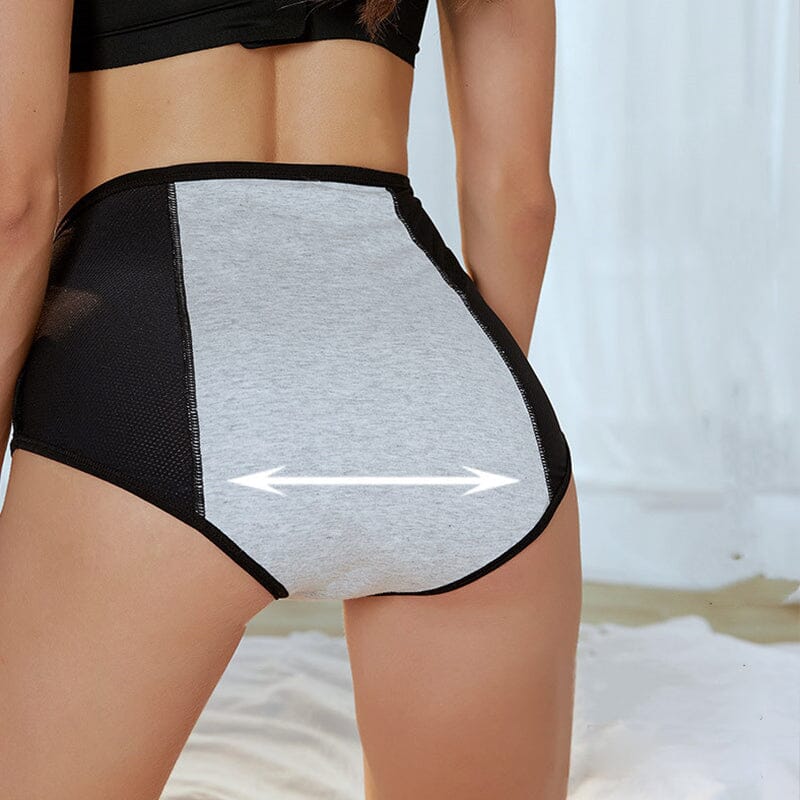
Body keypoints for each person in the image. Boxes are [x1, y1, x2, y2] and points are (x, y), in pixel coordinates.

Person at [0, 0, 582, 797]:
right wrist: (462, 418)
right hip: (440, 368)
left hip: (150, 369)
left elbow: (13, 207)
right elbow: (521, 203)